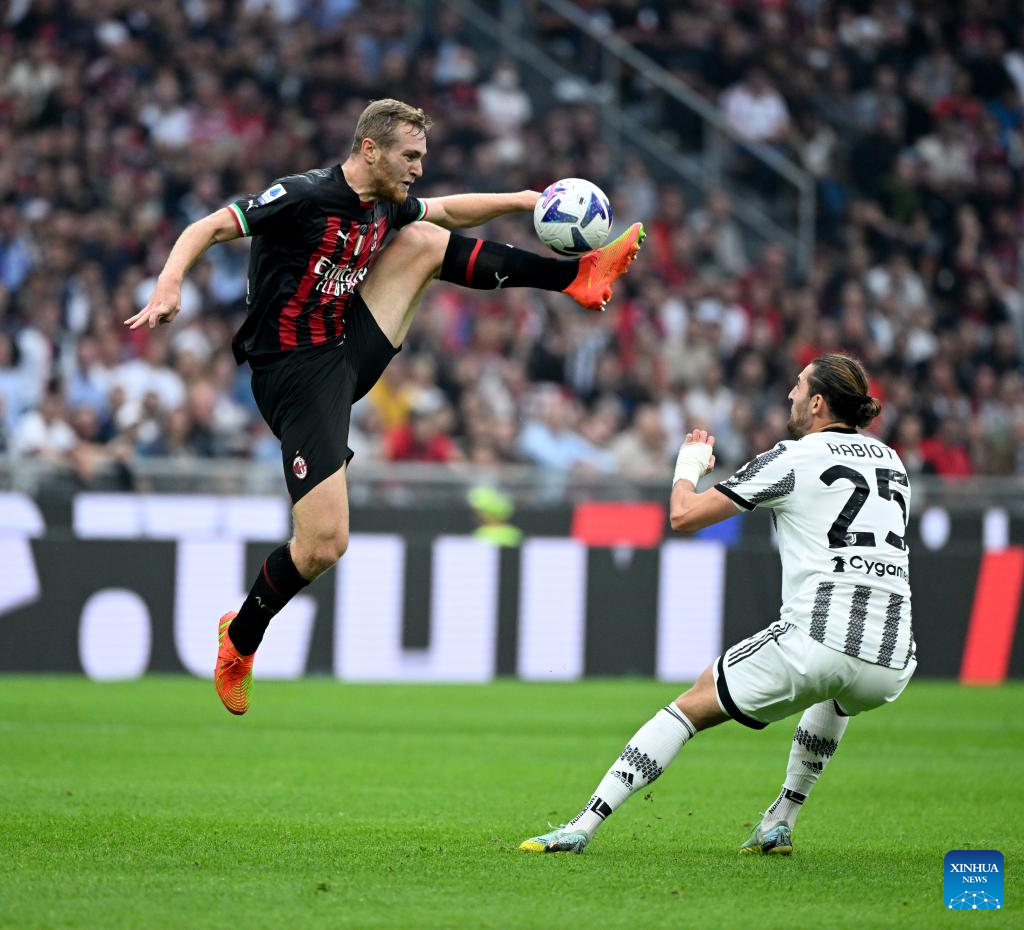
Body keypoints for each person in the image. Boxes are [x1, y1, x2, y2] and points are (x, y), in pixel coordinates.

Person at [125, 98, 644, 715]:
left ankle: (578, 278)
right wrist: (170, 280)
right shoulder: (304, 195)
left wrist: (524, 200)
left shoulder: (387, 202)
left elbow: (449, 210)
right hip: (294, 375)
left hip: (348, 341)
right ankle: (239, 640)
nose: (419, 168)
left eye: (421, 157)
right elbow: (207, 227)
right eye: (411, 156)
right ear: (369, 150)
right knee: (323, 544)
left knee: (425, 237)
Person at [521, 354, 915, 856]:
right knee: (835, 694)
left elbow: (683, 516)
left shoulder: (793, 457)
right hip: (892, 655)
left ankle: (581, 826)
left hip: (819, 635)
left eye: (797, 387)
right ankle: (780, 822)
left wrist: (687, 467)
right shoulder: (892, 462)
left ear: (817, 403)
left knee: (691, 705)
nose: (789, 395)